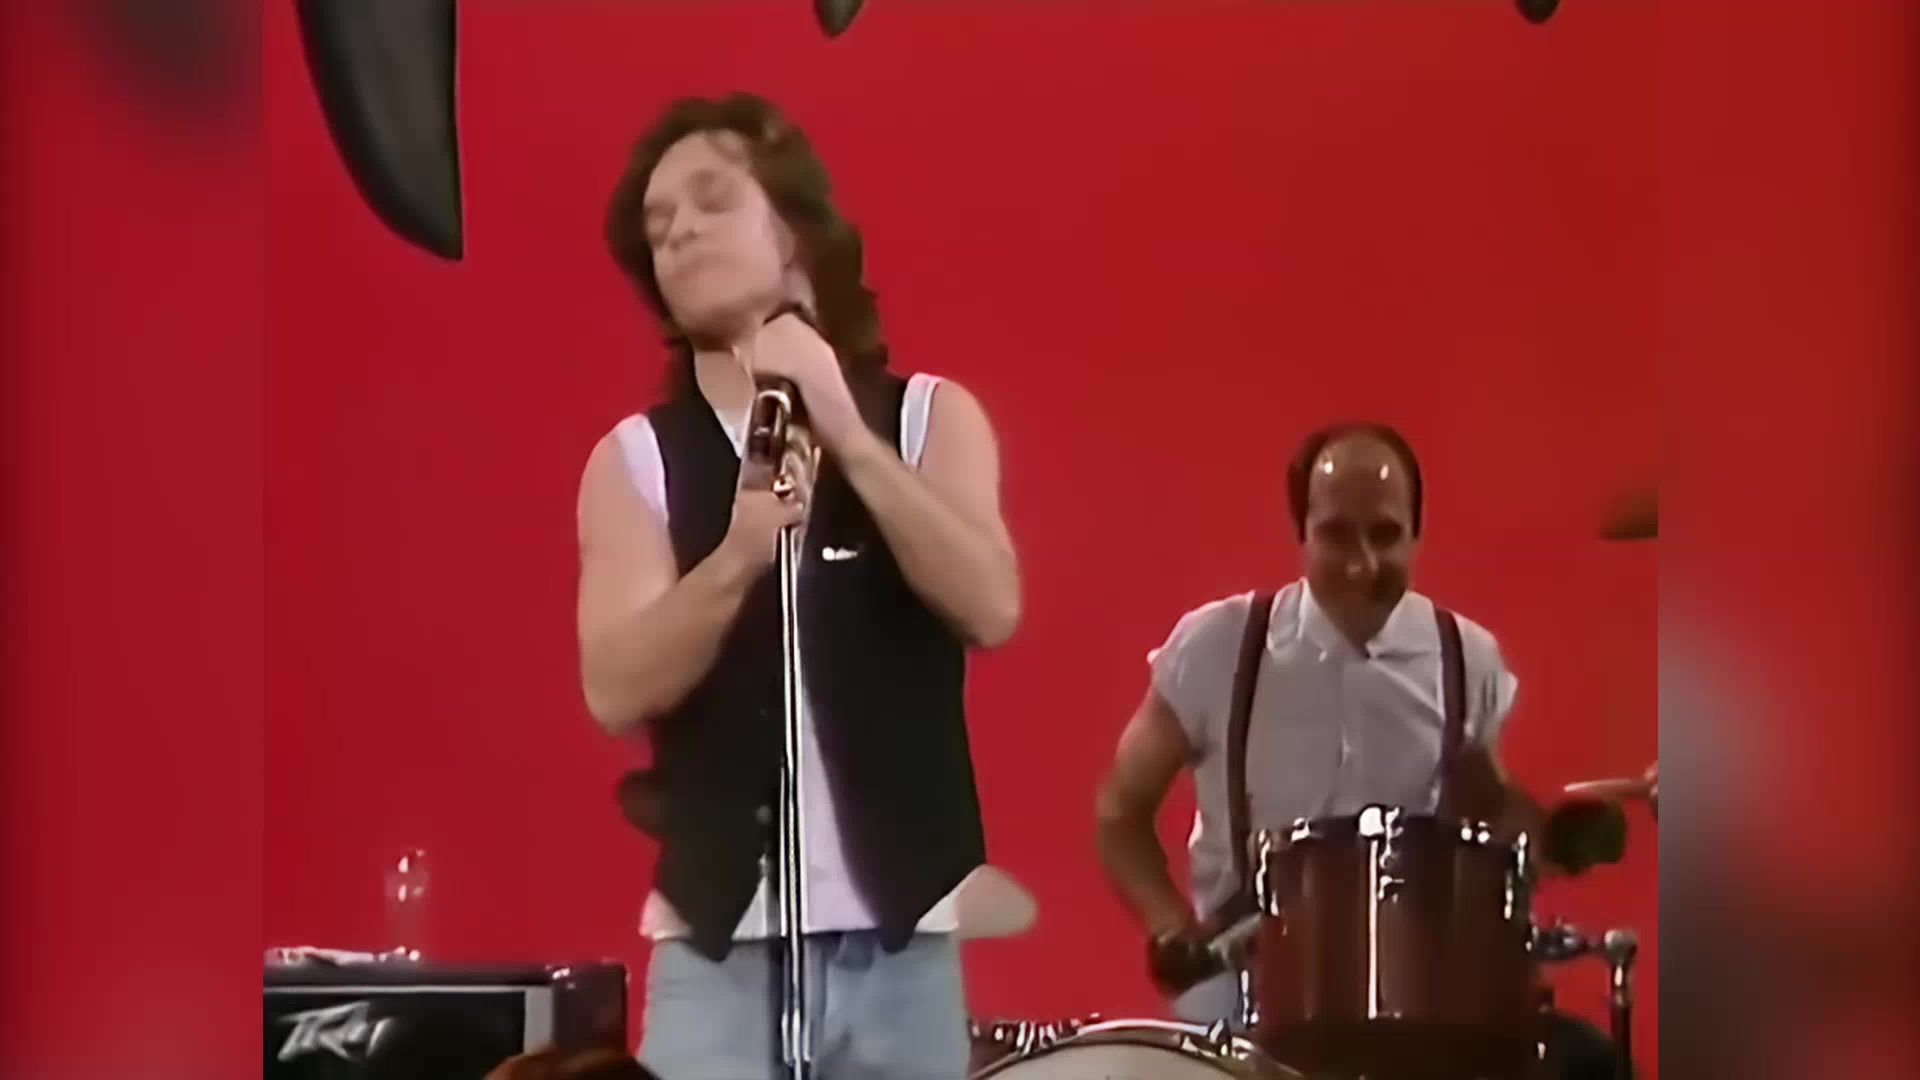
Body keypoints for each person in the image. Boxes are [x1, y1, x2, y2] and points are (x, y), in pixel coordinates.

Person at [575, 93, 1021, 1080]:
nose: (679, 232)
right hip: (718, 955)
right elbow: (613, 685)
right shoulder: (636, 461)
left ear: (793, 230)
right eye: (658, 225)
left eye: (710, 201)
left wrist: (847, 433)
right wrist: (737, 554)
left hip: (903, 951)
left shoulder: (928, 419)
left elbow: (991, 605)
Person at [1092, 422, 1621, 1078]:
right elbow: (1120, 811)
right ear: (1302, 532)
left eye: (1385, 535)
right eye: (1336, 535)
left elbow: (1486, 808)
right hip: (1241, 997)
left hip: (1412, 997)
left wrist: (1559, 837)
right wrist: (1169, 925)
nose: (1360, 564)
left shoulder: (1465, 657)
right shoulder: (1218, 647)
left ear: (1417, 534)